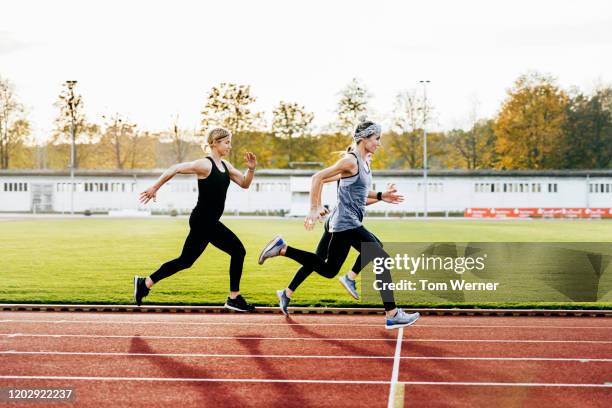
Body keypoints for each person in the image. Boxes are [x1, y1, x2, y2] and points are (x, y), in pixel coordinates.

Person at [258, 119, 420, 329]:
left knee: (327, 269)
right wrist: (314, 208)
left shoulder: (364, 163)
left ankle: (283, 249)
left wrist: (381, 196)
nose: (379, 143)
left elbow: (360, 198)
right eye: (377, 138)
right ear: (364, 138)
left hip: (346, 224)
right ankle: (391, 313)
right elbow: (318, 177)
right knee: (379, 255)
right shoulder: (350, 161)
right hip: (345, 223)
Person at [134, 127, 256, 312]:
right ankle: (234, 298)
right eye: (226, 142)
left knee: (185, 261)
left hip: (208, 221)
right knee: (238, 251)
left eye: (229, 142)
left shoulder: (226, 166)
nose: (229, 146)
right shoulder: (205, 165)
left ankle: (145, 283)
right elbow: (174, 168)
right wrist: (155, 187)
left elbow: (245, 184)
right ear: (214, 143)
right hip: (202, 220)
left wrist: (251, 169)